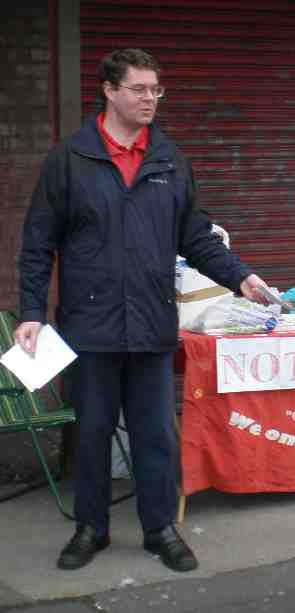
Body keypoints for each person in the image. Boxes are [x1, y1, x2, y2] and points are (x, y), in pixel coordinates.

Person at [15, 48, 271, 572]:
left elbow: (196, 236)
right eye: (139, 89)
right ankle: (92, 529)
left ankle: (160, 530)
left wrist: (239, 275)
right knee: (90, 435)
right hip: (90, 327)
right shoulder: (70, 159)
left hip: (153, 326)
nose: (150, 98)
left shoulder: (171, 162)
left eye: (156, 90)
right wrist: (31, 312)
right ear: (109, 91)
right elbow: (39, 242)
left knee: (156, 436)